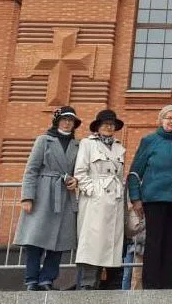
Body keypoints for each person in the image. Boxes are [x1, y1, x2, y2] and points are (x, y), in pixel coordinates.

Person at [14, 107, 81, 291]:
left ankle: (47, 280)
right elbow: (31, 169)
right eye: (64, 119)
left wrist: (76, 180)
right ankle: (31, 280)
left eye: (71, 120)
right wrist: (27, 197)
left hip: (65, 196)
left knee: (58, 242)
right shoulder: (44, 141)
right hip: (43, 194)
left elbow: (79, 171)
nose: (67, 123)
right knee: (35, 240)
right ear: (57, 121)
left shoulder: (78, 145)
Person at [129, 104, 172, 290]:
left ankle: (166, 285)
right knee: (154, 242)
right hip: (153, 198)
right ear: (161, 120)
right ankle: (151, 284)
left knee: (171, 242)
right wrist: (135, 198)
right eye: (168, 118)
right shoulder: (149, 141)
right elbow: (134, 172)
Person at [74, 109, 127, 290]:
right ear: (98, 127)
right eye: (105, 124)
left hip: (115, 199)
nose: (109, 127)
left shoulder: (119, 147)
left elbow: (120, 175)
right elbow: (80, 171)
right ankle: (88, 282)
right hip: (95, 199)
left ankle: (110, 283)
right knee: (92, 241)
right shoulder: (87, 144)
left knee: (111, 242)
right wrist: (92, 190)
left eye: (111, 124)